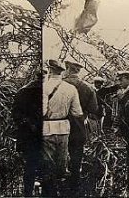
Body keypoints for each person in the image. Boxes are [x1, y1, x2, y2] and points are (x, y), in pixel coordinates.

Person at [42, 59, 84, 196]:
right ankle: (62, 189)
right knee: (62, 161)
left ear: (50, 70)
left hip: (47, 128)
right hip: (64, 129)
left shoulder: (44, 87)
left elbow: (41, 112)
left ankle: (50, 191)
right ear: (62, 71)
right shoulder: (71, 89)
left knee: (48, 161)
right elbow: (77, 112)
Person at [63, 59, 98, 194]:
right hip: (79, 127)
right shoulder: (88, 87)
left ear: (67, 69)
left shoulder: (59, 85)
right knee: (77, 156)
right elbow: (94, 108)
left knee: (58, 156)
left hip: (60, 125)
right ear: (78, 71)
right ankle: (74, 187)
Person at [12, 71, 42, 197]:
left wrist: (28, 124)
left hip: (29, 136)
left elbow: (15, 115)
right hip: (45, 134)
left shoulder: (22, 92)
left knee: (30, 166)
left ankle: (28, 194)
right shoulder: (48, 91)